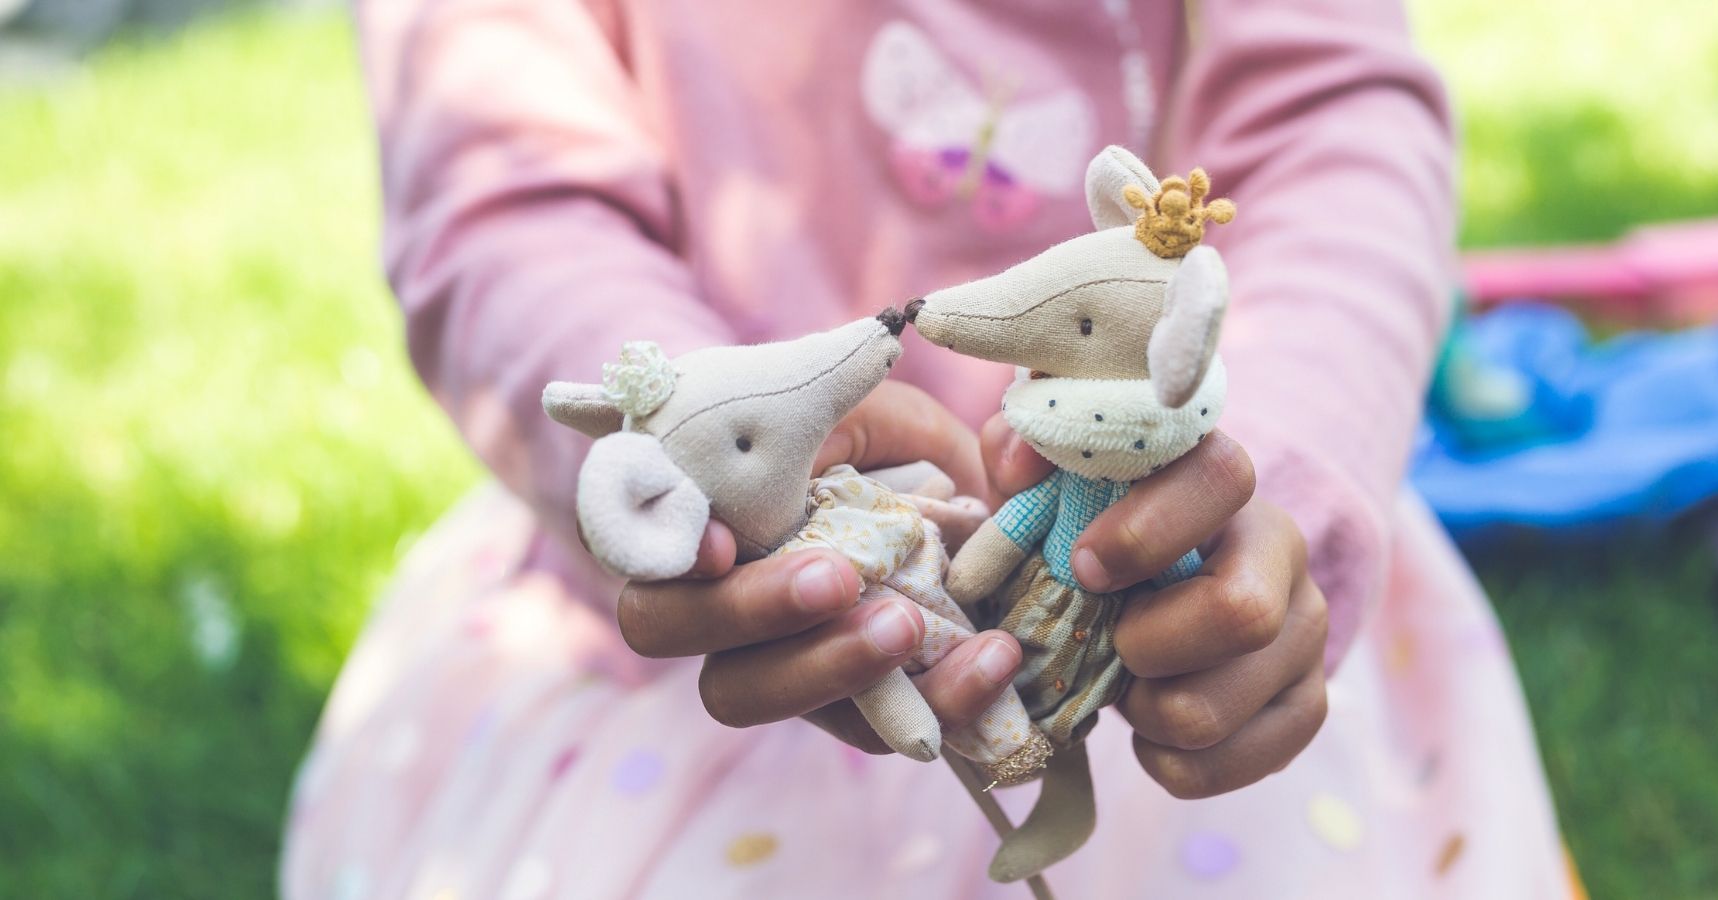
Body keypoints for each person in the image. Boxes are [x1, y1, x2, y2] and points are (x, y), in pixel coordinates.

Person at [282, 1, 1576, 896]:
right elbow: (504, 203)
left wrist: (1278, 466)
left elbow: (1334, 123)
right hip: (682, 655)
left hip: (1178, 611)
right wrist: (693, 453)